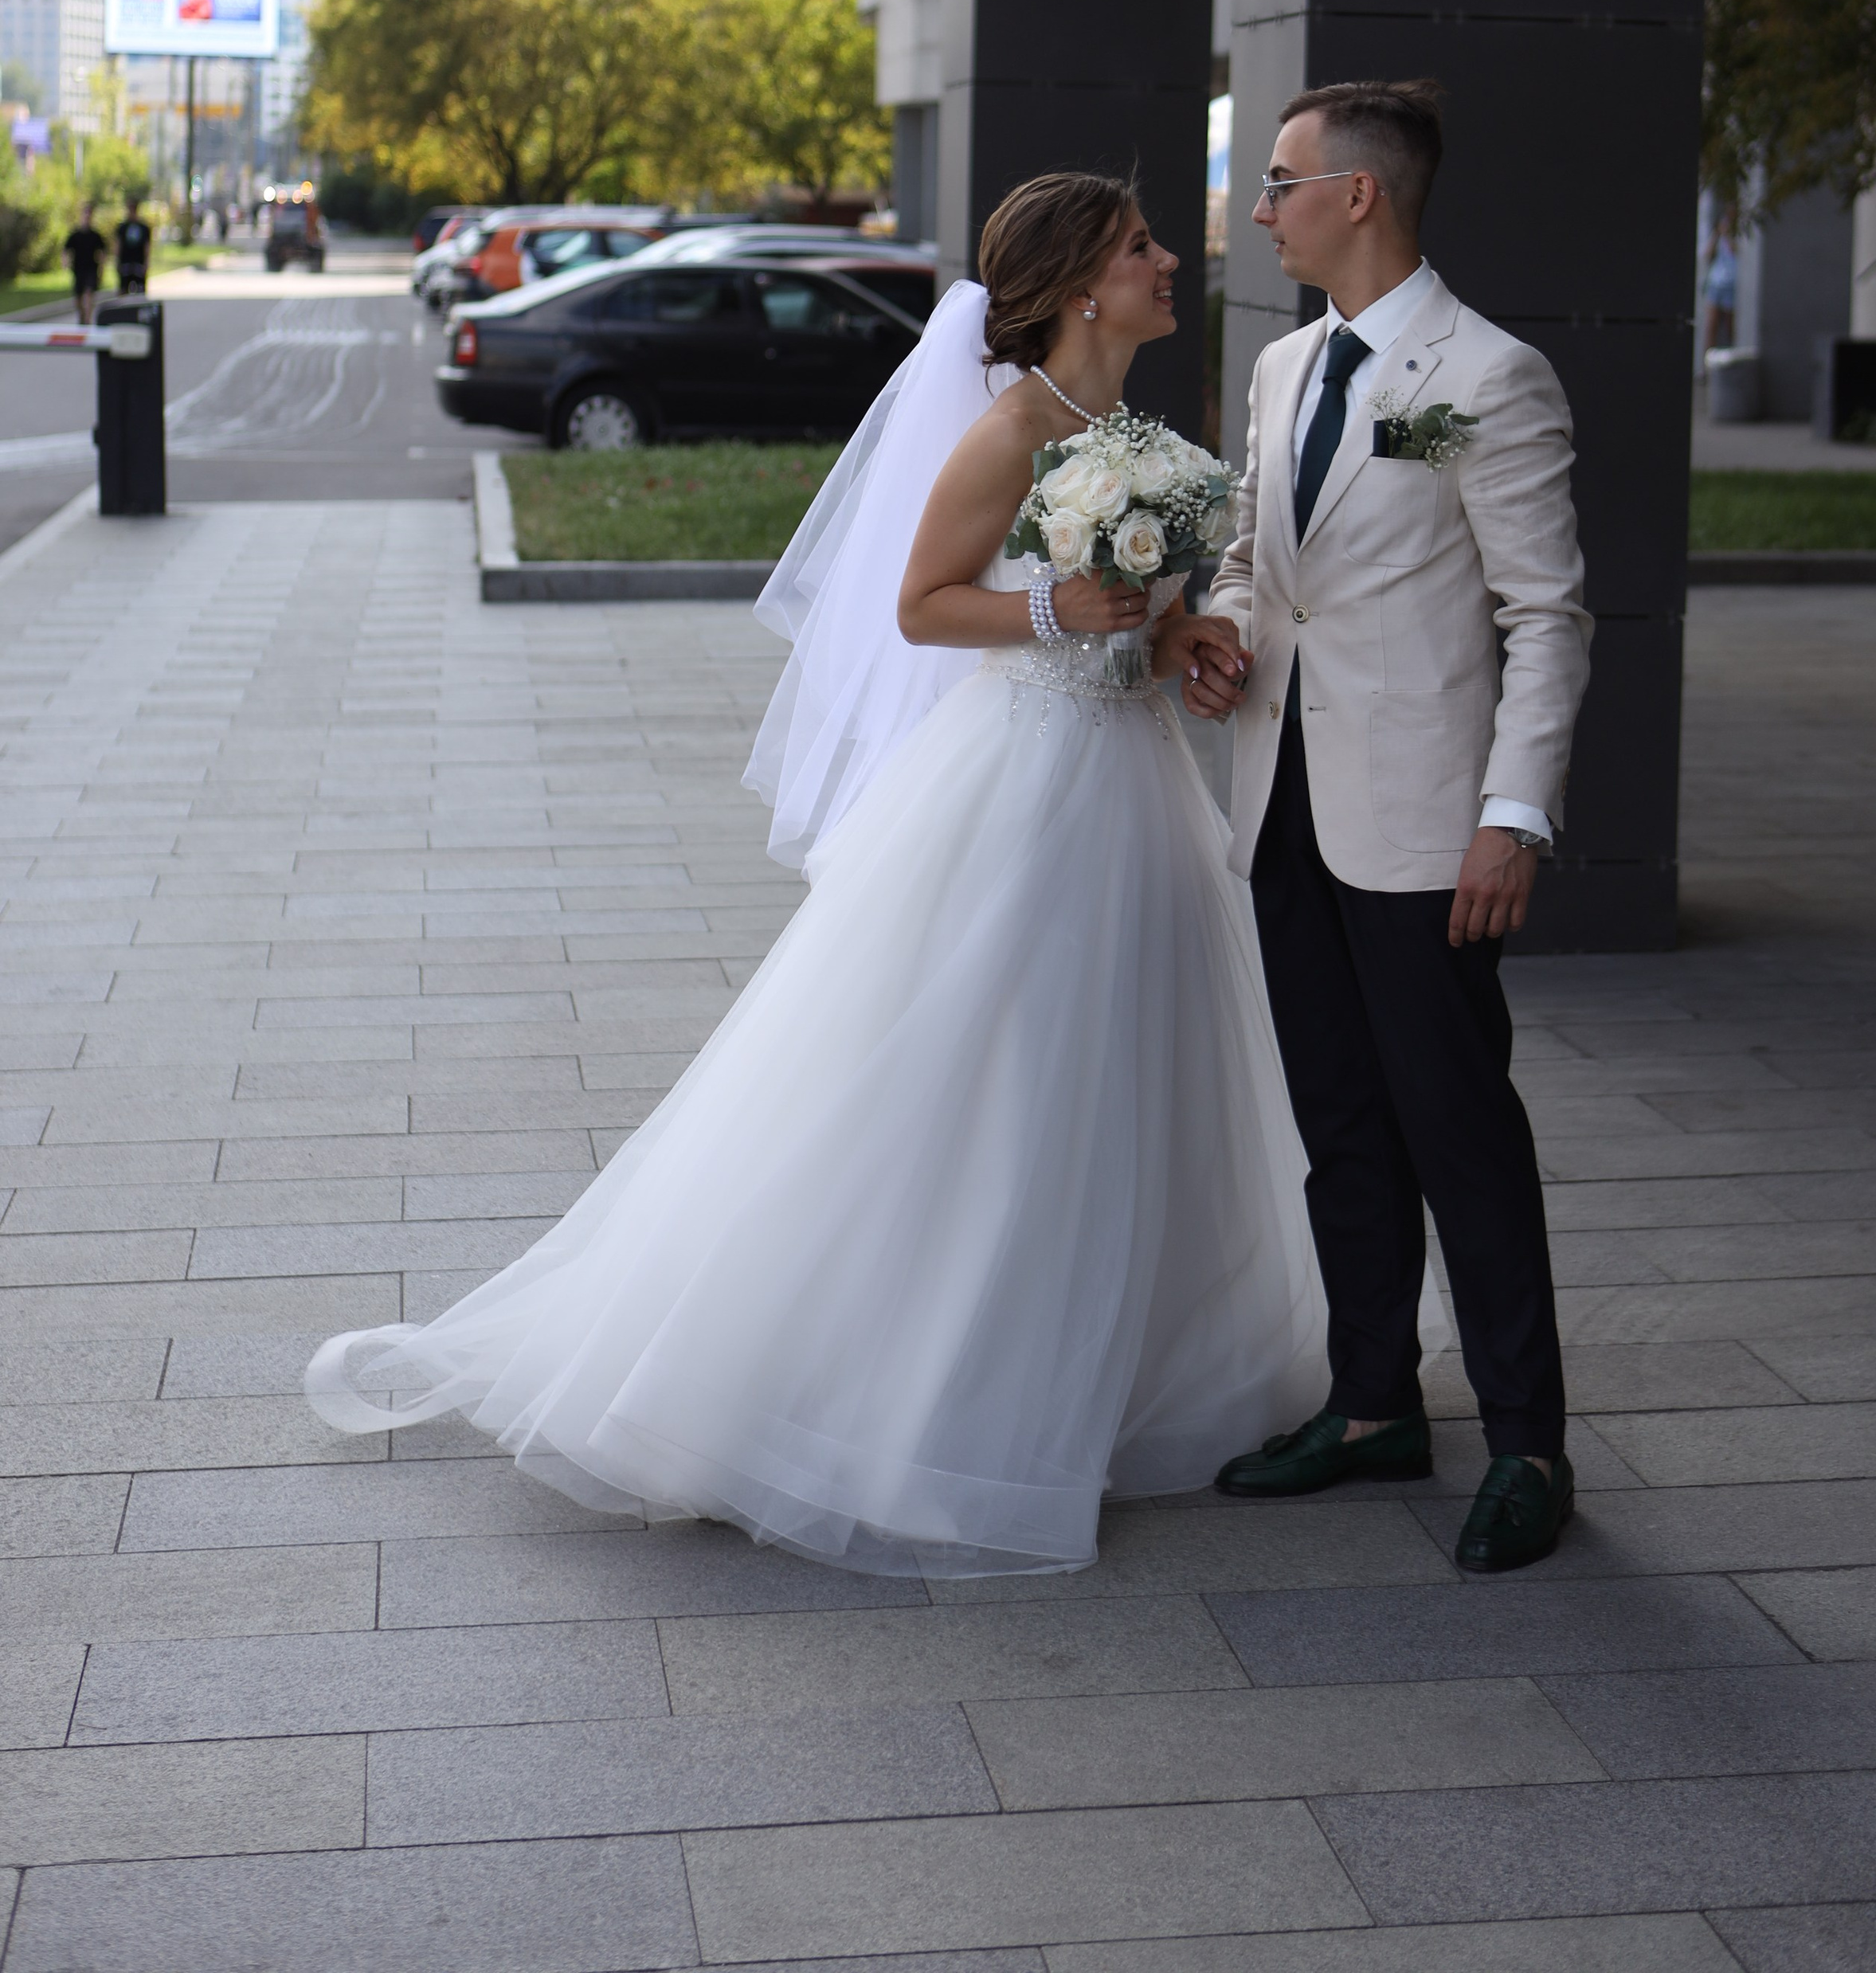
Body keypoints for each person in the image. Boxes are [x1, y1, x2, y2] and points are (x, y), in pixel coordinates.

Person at [307, 172, 1325, 1575]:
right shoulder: (1013, 428)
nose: (1170, 263)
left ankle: (1125, 1370)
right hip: (1022, 789)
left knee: (1122, 1067)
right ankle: (909, 1387)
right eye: (1145, 247)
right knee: (996, 1076)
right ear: (1084, 285)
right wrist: (1052, 603)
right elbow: (922, 607)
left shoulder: (1132, 436)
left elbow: (1120, 621)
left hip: (1130, 778)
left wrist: (1172, 643)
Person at [1159, 80, 1592, 1576]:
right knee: (1340, 1127)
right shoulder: (1281, 366)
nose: (1258, 207)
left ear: (1362, 197)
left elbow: (1547, 617)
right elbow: (1253, 562)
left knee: (1461, 1131)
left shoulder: (1491, 374)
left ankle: (1530, 1442)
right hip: (1285, 805)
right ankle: (1370, 1406)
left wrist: (1512, 815)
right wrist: (1220, 630)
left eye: (1278, 181)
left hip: (1424, 826)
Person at [62, 204, 106, 321]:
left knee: (88, 295)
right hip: (78, 270)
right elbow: (66, 249)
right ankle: (82, 317)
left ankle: (88, 319)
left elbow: (101, 254)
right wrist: (65, 262)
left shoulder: (96, 236)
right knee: (78, 299)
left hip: (91, 270)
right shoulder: (75, 235)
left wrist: (102, 270)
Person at [113, 196, 151, 295]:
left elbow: (147, 246)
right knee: (123, 289)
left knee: (140, 290)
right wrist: (117, 261)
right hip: (125, 263)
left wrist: (147, 262)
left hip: (138, 263)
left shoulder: (143, 228)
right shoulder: (122, 227)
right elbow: (118, 244)